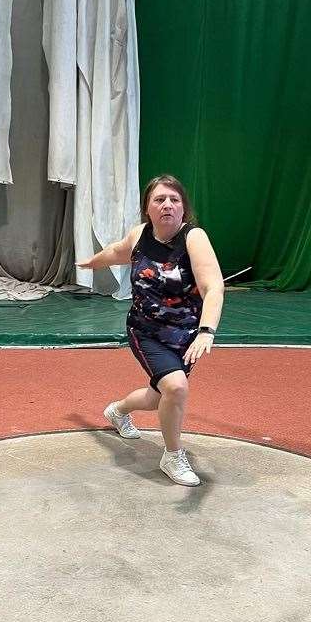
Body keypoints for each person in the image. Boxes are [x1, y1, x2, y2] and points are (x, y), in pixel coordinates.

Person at [77, 175, 224, 486]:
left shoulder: (193, 238)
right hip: (145, 330)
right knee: (176, 388)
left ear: (184, 209)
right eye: (159, 200)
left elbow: (213, 287)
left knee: (161, 396)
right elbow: (118, 251)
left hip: (186, 336)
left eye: (174, 199)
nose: (167, 205)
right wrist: (92, 263)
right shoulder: (140, 235)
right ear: (147, 208)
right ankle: (172, 455)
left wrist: (206, 330)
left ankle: (117, 410)